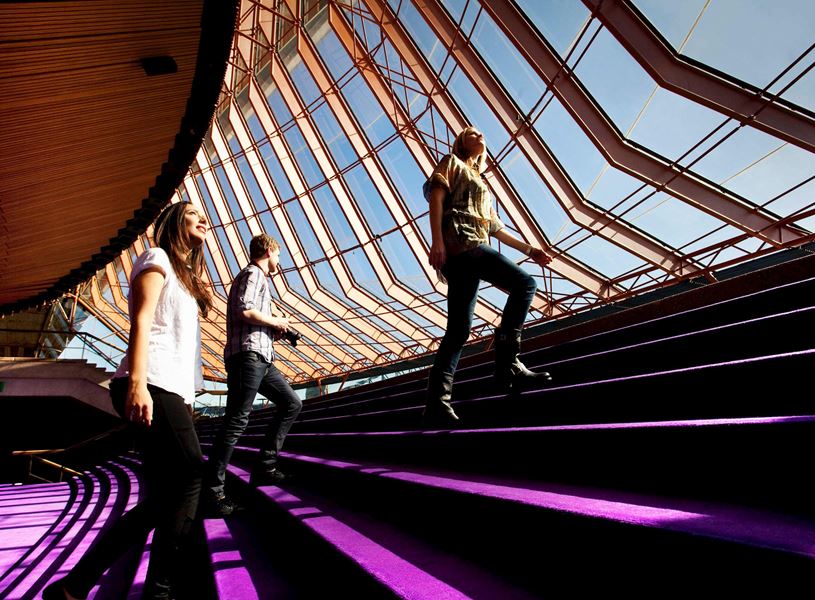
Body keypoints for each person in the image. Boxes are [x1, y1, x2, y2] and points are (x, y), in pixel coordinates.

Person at [44, 202, 212, 599]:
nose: (203, 218)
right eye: (192, 212)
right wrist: (137, 383)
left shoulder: (187, 278)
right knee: (190, 476)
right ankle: (160, 590)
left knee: (162, 498)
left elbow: (182, 347)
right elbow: (141, 320)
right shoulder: (156, 257)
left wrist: (186, 399)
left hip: (169, 388)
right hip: (149, 382)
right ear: (173, 222)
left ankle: (72, 588)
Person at [423, 126, 552, 426]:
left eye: (482, 134)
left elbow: (495, 227)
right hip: (463, 243)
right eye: (471, 133)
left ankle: (436, 404)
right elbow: (436, 199)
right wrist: (437, 241)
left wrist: (530, 249)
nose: (479, 136)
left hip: (471, 248)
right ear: (460, 142)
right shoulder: (450, 163)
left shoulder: (482, 182)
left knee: (458, 331)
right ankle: (508, 364)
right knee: (525, 283)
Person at [203, 233, 303, 517]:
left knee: (292, 403)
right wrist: (278, 320)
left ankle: (265, 466)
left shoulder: (254, 277)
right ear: (269, 250)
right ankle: (214, 492)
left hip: (259, 355)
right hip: (249, 356)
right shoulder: (254, 273)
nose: (279, 262)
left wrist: (275, 330)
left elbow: (250, 318)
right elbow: (244, 310)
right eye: (279, 255)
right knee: (236, 420)